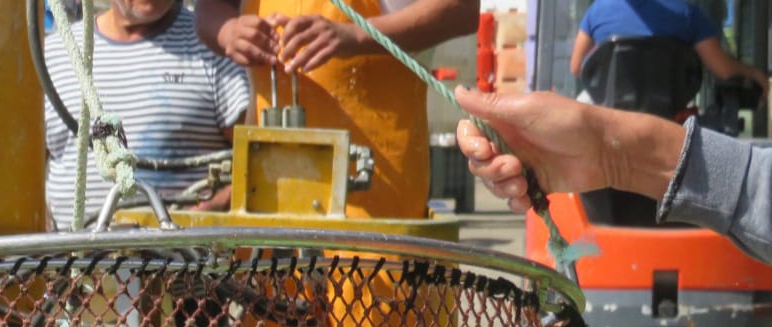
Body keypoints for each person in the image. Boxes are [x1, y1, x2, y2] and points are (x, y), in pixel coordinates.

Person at [195, 0, 480, 219]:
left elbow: (461, 9)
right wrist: (229, 32)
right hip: (267, 201)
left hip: (374, 202)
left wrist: (356, 35)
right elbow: (211, 9)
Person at [456, 85, 772, 265]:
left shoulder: (598, 14)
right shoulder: (689, 15)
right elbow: (718, 62)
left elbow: (580, 61)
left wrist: (608, 147)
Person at [43, 0, 251, 226]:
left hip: (181, 256)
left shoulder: (213, 47)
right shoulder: (56, 54)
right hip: (67, 257)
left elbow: (257, 164)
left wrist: (208, 211)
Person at [570, 0, 769, 101]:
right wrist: (754, 72)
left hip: (610, 113)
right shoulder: (687, 13)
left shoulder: (598, 10)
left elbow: (577, 66)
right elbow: (723, 69)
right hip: (671, 117)